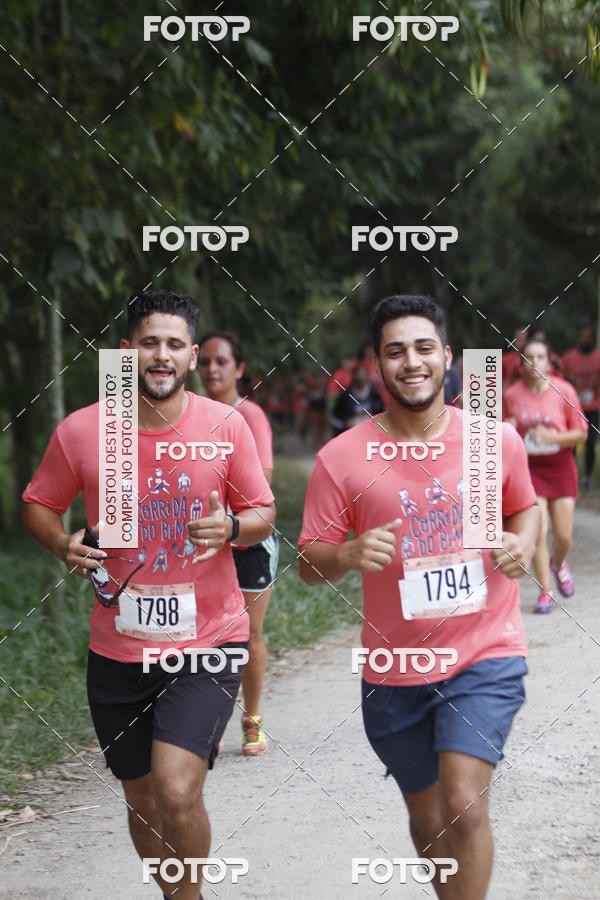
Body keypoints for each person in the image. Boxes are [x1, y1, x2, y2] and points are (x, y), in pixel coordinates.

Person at [22, 290, 275, 900]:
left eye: (173, 345)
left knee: (177, 788)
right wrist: (62, 543)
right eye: (147, 342)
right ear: (125, 351)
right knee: (141, 797)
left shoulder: (225, 426)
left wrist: (233, 528)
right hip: (116, 652)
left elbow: (264, 511)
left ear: (191, 356)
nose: (160, 356)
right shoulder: (84, 431)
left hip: (206, 643)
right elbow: (38, 502)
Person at [299, 294, 540, 900]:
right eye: (395, 351)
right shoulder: (343, 458)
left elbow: (525, 508)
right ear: (377, 364)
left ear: (447, 357)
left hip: (486, 653)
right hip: (394, 671)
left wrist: (525, 543)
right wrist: (349, 554)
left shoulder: (492, 441)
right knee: (429, 815)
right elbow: (308, 563)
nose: (412, 362)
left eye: (424, 347)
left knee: (462, 800)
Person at [197, 330, 278, 756]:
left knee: (247, 634)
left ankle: (252, 718)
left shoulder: (252, 417)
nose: (213, 369)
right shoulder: (187, 415)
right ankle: (208, 721)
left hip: (247, 541)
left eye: (222, 361)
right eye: (206, 360)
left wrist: (225, 517)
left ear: (239, 369)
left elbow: (260, 484)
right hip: (202, 542)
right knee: (206, 636)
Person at [504, 337, 588, 613]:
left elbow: (582, 432)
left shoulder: (564, 391)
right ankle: (545, 590)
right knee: (539, 529)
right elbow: (500, 432)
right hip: (530, 468)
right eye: (529, 357)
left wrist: (554, 436)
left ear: (550, 362)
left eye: (540, 357)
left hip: (561, 466)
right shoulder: (512, 395)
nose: (534, 363)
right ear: (521, 363)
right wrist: (508, 427)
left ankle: (559, 562)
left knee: (564, 536)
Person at [562, 324, 600, 488]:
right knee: (572, 441)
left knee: (591, 441)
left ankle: (586, 477)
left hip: (593, 406)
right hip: (573, 407)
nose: (585, 339)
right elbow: (561, 377)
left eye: (588, 336)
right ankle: (570, 474)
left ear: (592, 338)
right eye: (583, 336)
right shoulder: (569, 357)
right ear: (579, 337)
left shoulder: (598, 357)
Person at [329, 362, 384, 436]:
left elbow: (382, 416)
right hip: (350, 436)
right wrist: (345, 424)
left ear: (367, 375)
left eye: (363, 374)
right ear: (353, 375)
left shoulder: (375, 395)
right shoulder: (345, 396)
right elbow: (335, 418)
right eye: (358, 374)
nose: (361, 377)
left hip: (371, 436)